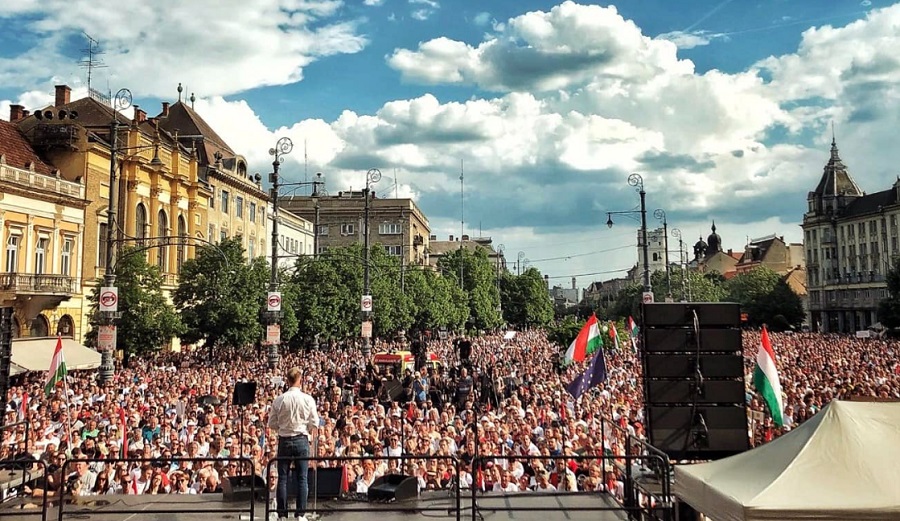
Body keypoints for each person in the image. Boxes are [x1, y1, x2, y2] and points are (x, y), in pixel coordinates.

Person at [268, 367, 320, 521]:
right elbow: (314, 423)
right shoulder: (308, 399)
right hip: (301, 439)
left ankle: (282, 515)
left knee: (283, 478)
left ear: (287, 380)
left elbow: (271, 423)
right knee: (302, 478)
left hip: (284, 439)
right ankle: (300, 515)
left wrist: (283, 428)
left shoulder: (279, 399)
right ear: (300, 380)